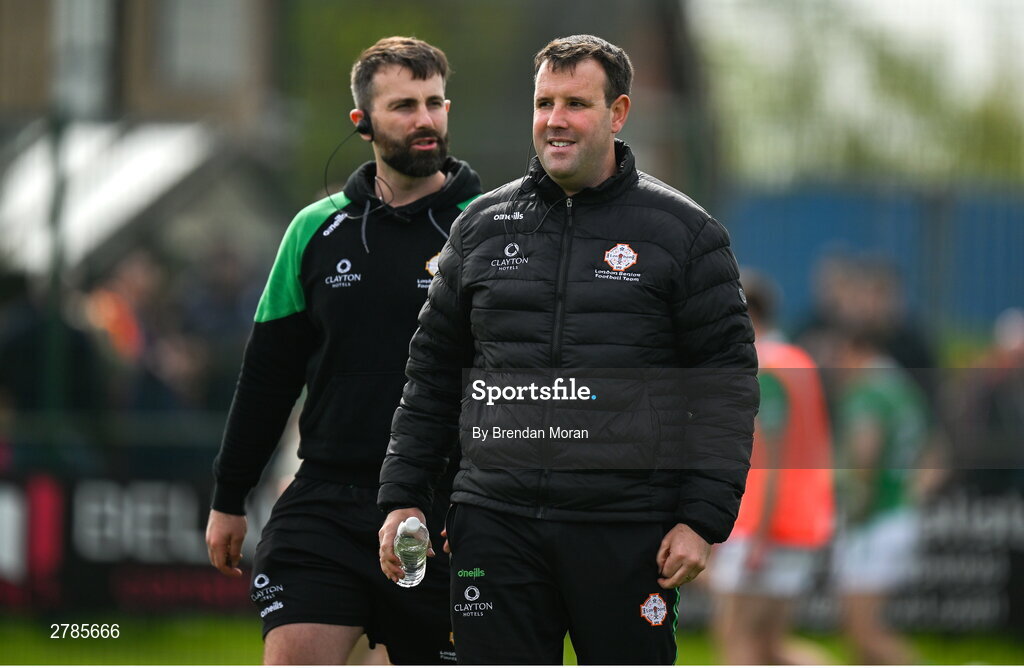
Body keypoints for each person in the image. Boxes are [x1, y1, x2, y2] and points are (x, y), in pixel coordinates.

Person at [377, 35, 758, 665]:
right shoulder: (480, 227)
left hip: (627, 529)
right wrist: (404, 497)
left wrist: (701, 519)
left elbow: (726, 388)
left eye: (576, 103)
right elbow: (432, 378)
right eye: (544, 102)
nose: (555, 119)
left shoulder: (685, 234)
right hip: (494, 520)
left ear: (619, 113)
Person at [205, 36, 481, 665]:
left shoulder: (489, 225)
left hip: (442, 505)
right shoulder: (312, 229)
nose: (424, 120)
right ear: (362, 123)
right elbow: (268, 374)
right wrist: (229, 497)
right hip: (326, 500)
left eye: (435, 103)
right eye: (403, 105)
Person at [709, 270, 834, 665]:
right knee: (771, 647)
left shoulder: (764, 366)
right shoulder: (797, 359)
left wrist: (761, 534)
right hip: (799, 521)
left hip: (767, 525)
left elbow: (771, 459)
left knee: (737, 639)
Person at [830, 327, 928, 665]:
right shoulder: (902, 388)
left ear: (857, 349)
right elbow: (935, 449)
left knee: (864, 633)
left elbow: (864, 455)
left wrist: (856, 509)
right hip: (897, 512)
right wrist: (911, 492)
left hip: (874, 519)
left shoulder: (868, 391)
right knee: (863, 634)